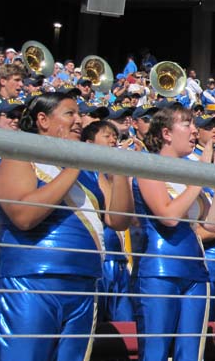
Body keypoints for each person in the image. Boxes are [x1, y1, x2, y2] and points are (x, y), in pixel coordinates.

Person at [0, 92, 133, 360]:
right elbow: (24, 216)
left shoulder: (90, 172)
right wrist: (74, 166)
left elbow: (118, 220)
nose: (79, 121)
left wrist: (120, 172)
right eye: (69, 113)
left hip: (84, 284)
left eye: (79, 114)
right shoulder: (20, 156)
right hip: (31, 281)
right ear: (42, 120)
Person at [132, 104, 215, 361]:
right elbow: (169, 216)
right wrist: (199, 174)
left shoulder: (189, 172)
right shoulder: (148, 165)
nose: (194, 131)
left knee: (191, 353)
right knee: (155, 351)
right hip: (159, 270)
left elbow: (213, 224)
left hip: (196, 271)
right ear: (166, 133)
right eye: (186, 124)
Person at [81, 120, 135, 322]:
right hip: (102, 260)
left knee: (124, 325)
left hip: (120, 259)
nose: (113, 140)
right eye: (107, 136)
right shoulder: (89, 174)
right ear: (88, 142)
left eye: (115, 136)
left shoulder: (111, 175)